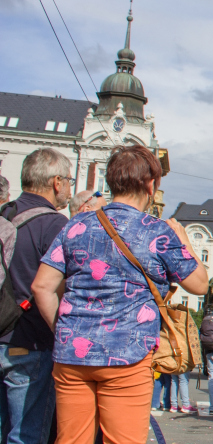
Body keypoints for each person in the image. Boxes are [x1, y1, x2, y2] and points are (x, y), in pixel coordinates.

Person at [31, 145, 207, 444]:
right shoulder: (156, 231)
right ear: (152, 184)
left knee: (71, 440)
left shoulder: (77, 226)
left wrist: (62, 331)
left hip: (72, 355)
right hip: (127, 354)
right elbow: (199, 285)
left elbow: (42, 286)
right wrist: (185, 240)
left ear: (111, 183)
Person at [0, 148, 73, 444]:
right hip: (30, 341)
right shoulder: (55, 225)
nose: (69, 187)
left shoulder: (5, 213)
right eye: (68, 180)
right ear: (56, 182)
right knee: (26, 434)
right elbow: (60, 288)